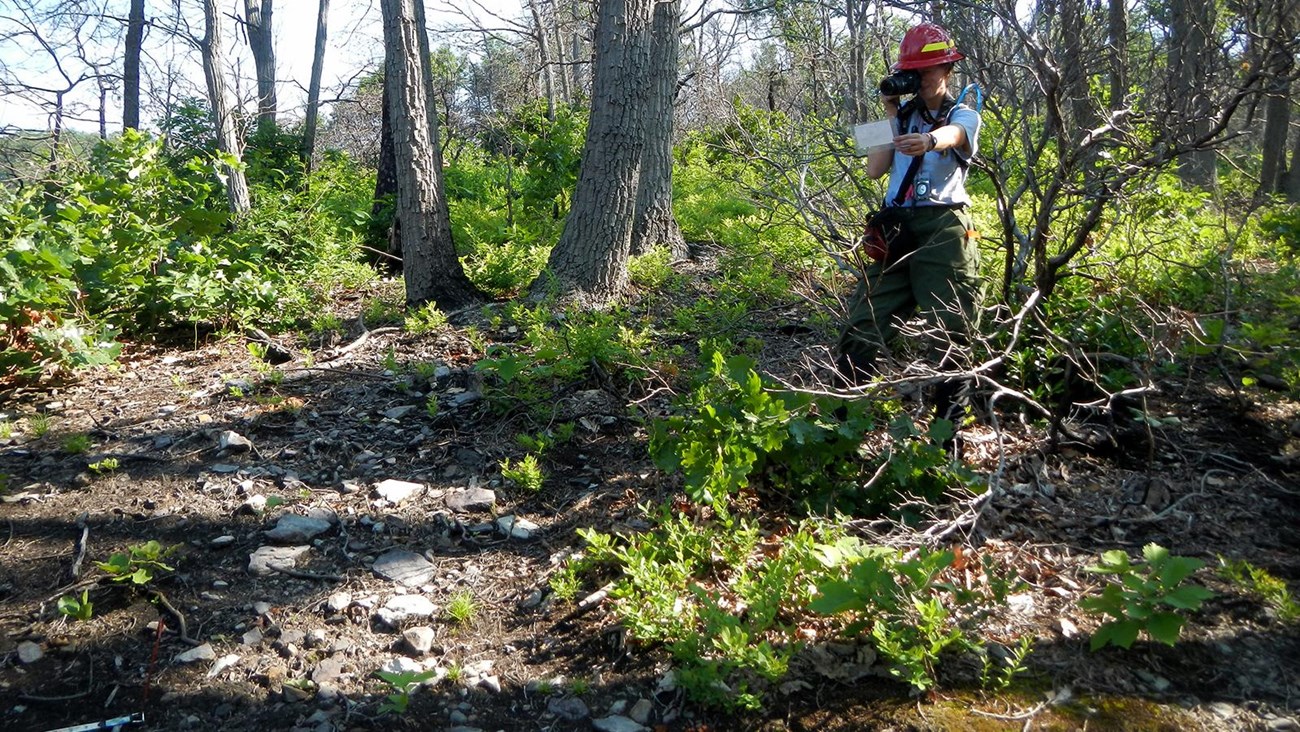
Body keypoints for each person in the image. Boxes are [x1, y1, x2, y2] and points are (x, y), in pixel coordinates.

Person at [837, 23, 982, 447]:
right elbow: (874, 169)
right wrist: (889, 112)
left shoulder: (964, 110)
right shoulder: (896, 117)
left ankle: (947, 438)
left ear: (946, 68)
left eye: (927, 71)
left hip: (944, 226)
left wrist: (930, 139)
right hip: (898, 227)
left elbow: (957, 135)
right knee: (862, 323)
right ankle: (841, 428)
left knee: (953, 329)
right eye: (912, 73)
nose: (920, 80)